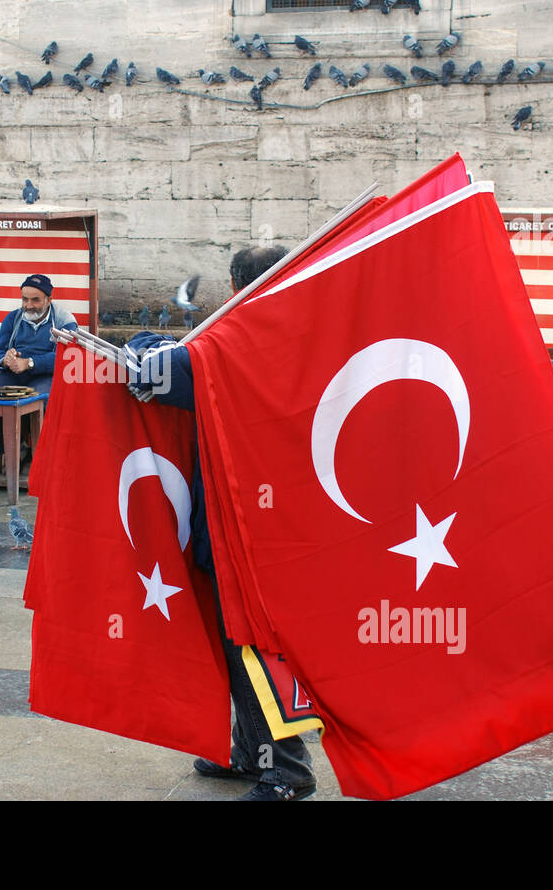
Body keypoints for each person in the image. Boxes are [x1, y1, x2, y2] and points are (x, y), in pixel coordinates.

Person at [128, 244, 319, 801]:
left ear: (239, 288)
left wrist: (156, 345)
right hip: (272, 516)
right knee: (239, 640)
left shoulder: (238, 341)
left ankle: (288, 768)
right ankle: (249, 751)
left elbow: (156, 369)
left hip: (245, 525)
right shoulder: (297, 334)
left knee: (252, 644)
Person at [0, 273, 78, 453]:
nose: (28, 306)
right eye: (25, 299)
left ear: (49, 300)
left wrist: (29, 363)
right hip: (14, 373)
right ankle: (14, 451)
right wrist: (5, 360)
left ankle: (42, 457)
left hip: (46, 375)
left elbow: (67, 357)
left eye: (35, 300)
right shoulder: (13, 319)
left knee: (40, 402)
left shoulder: (64, 320)